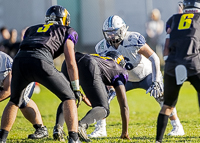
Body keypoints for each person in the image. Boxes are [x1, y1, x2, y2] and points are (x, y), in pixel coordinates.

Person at [91, 15, 184, 138]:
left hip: (146, 75)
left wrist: (156, 81)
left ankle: (177, 126)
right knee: (102, 97)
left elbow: (154, 58)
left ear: (123, 29)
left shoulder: (133, 39)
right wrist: (108, 86)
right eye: (109, 34)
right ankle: (100, 129)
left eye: (114, 33)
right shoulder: (101, 47)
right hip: (124, 79)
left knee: (162, 97)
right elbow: (104, 69)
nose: (112, 36)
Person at [0, 5, 82, 143]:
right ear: (64, 20)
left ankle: (2, 138)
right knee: (69, 96)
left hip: (19, 61)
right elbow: (71, 62)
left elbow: (24, 47)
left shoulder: (32, 29)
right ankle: (74, 138)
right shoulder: (67, 30)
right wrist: (76, 87)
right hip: (41, 60)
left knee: (15, 100)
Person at [53, 51, 129, 142]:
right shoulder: (119, 70)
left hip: (70, 60)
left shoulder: (101, 61)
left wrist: (83, 97)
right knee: (104, 109)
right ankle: (81, 126)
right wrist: (125, 131)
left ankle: (58, 128)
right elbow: (124, 105)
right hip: (89, 64)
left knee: (68, 98)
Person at [156, 0, 200, 142]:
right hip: (192, 62)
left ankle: (158, 140)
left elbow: (167, 42)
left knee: (168, 106)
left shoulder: (173, 19)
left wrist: (167, 59)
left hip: (172, 64)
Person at [0, 51, 48, 140]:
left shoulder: (2, 62)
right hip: (5, 81)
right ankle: (41, 129)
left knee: (20, 100)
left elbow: (8, 90)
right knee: (22, 101)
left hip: (23, 76)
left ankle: (2, 137)